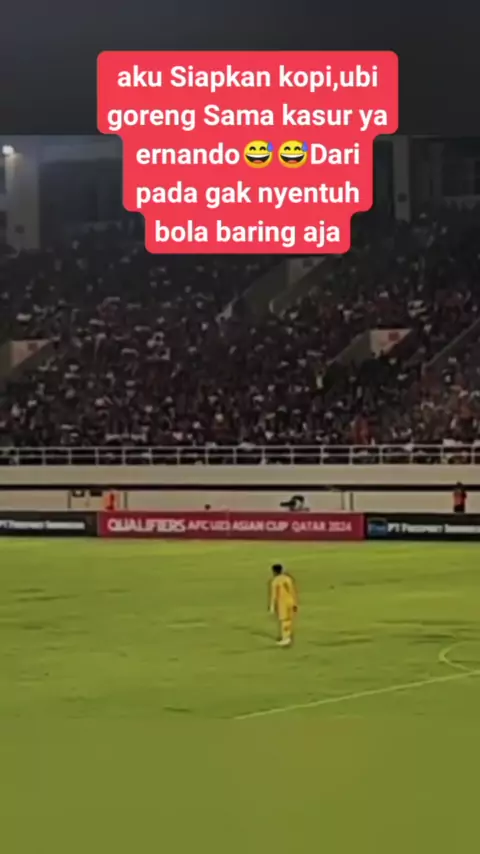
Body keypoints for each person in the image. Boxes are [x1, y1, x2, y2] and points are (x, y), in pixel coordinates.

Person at [269, 564, 298, 647]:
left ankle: (285, 638)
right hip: (290, 601)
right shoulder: (288, 578)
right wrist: (295, 603)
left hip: (282, 603)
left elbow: (274, 595)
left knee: (284, 621)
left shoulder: (275, 581)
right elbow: (292, 591)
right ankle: (288, 636)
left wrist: (272, 606)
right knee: (289, 620)